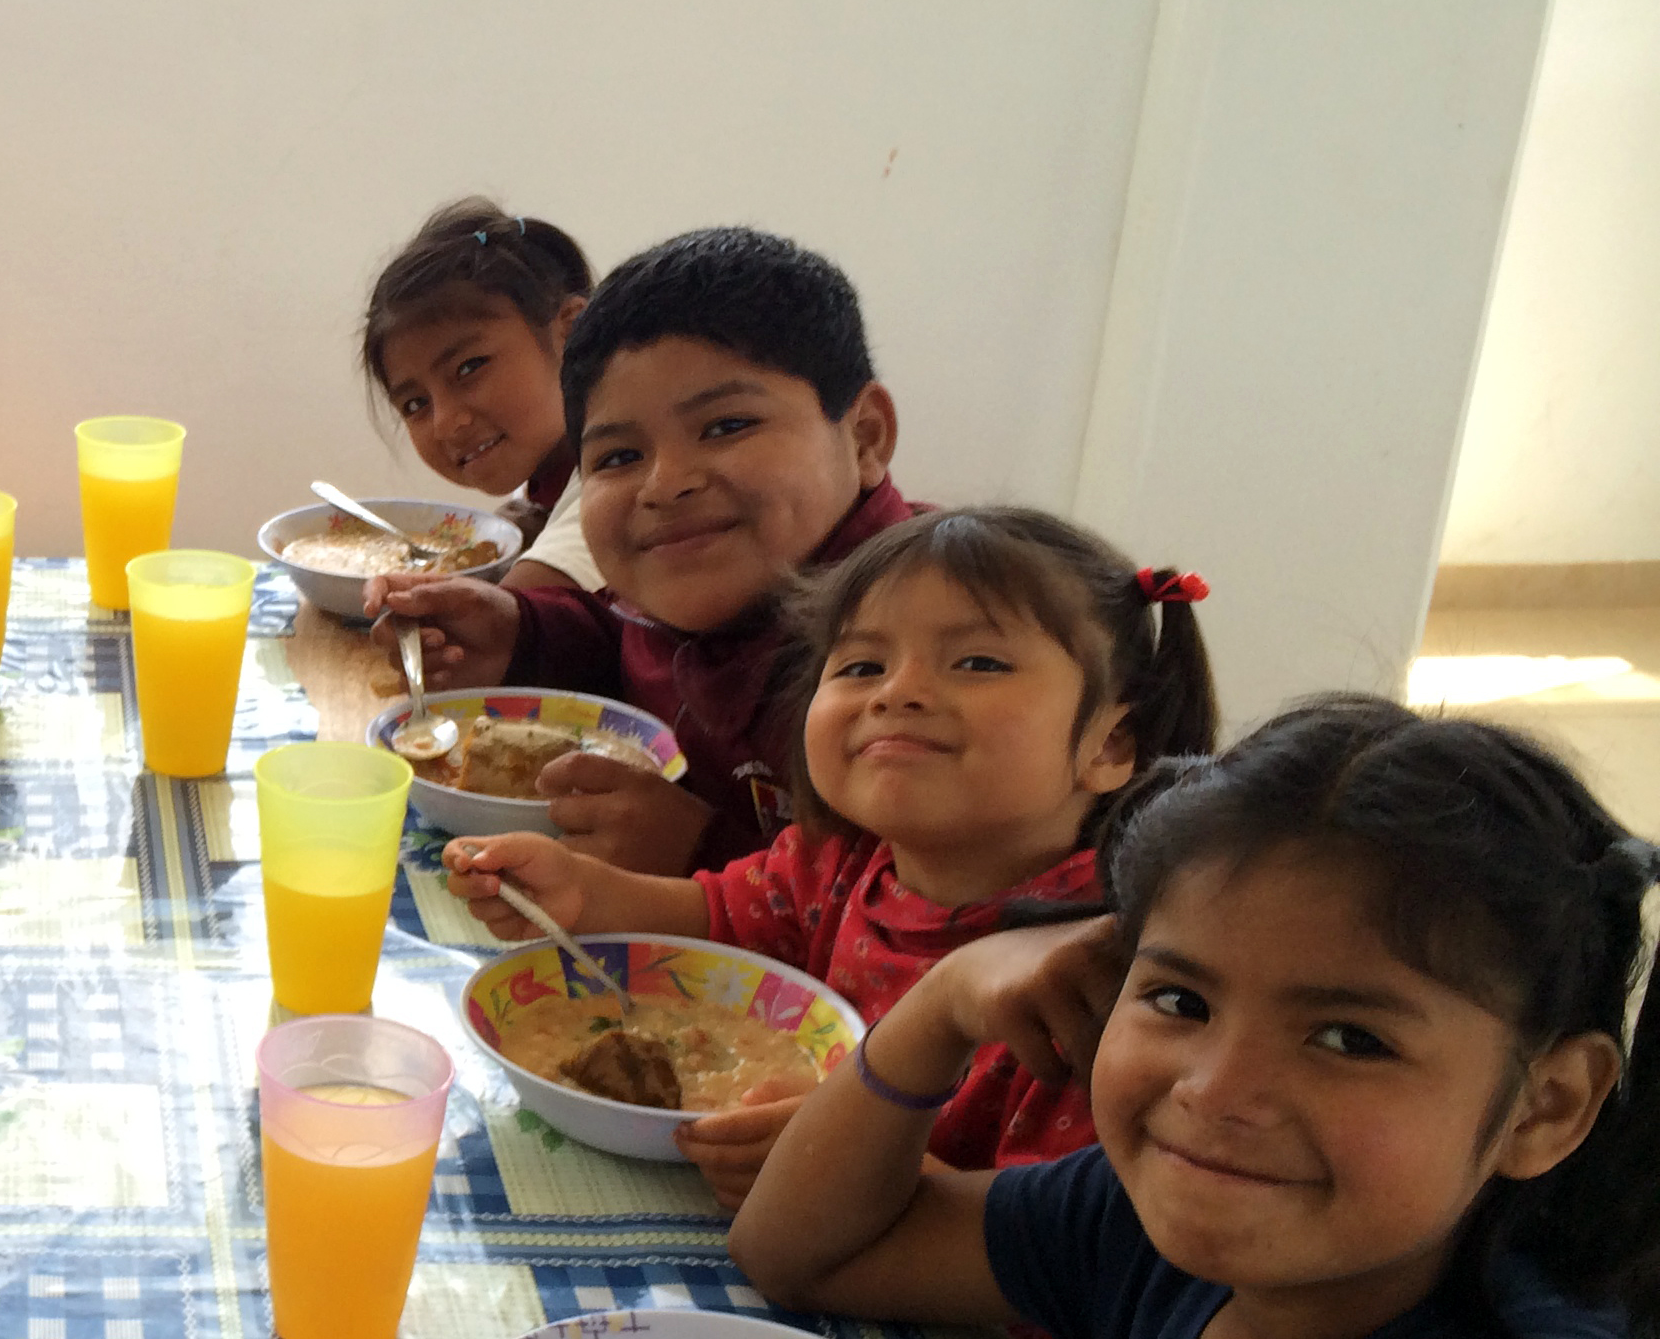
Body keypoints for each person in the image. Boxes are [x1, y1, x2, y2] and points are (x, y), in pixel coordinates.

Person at [730, 697, 1659, 1339]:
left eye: (1351, 1039)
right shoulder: (1145, 1222)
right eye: (1182, 1000)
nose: (1213, 1090)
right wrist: (943, 1003)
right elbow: (800, 1255)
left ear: (1547, 1107)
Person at [445, 507, 1218, 1207]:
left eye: (978, 663)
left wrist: (844, 1157)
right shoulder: (838, 865)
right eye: (861, 667)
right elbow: (716, 918)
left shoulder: (1094, 975)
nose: (898, 692)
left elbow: (1066, 1239)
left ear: (1113, 742)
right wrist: (581, 892)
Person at [370, 226, 916, 878]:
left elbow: (943, 929)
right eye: (620, 456)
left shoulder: (933, 650)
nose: (666, 483)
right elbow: (636, 648)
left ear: (866, 438)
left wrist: (706, 855)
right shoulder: (699, 588)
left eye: (726, 426)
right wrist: (520, 636)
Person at [357, 198, 599, 589]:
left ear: (572, 331)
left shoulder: (618, 481)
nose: (446, 423)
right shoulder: (548, 468)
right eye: (416, 404)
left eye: (469, 368)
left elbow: (503, 619)